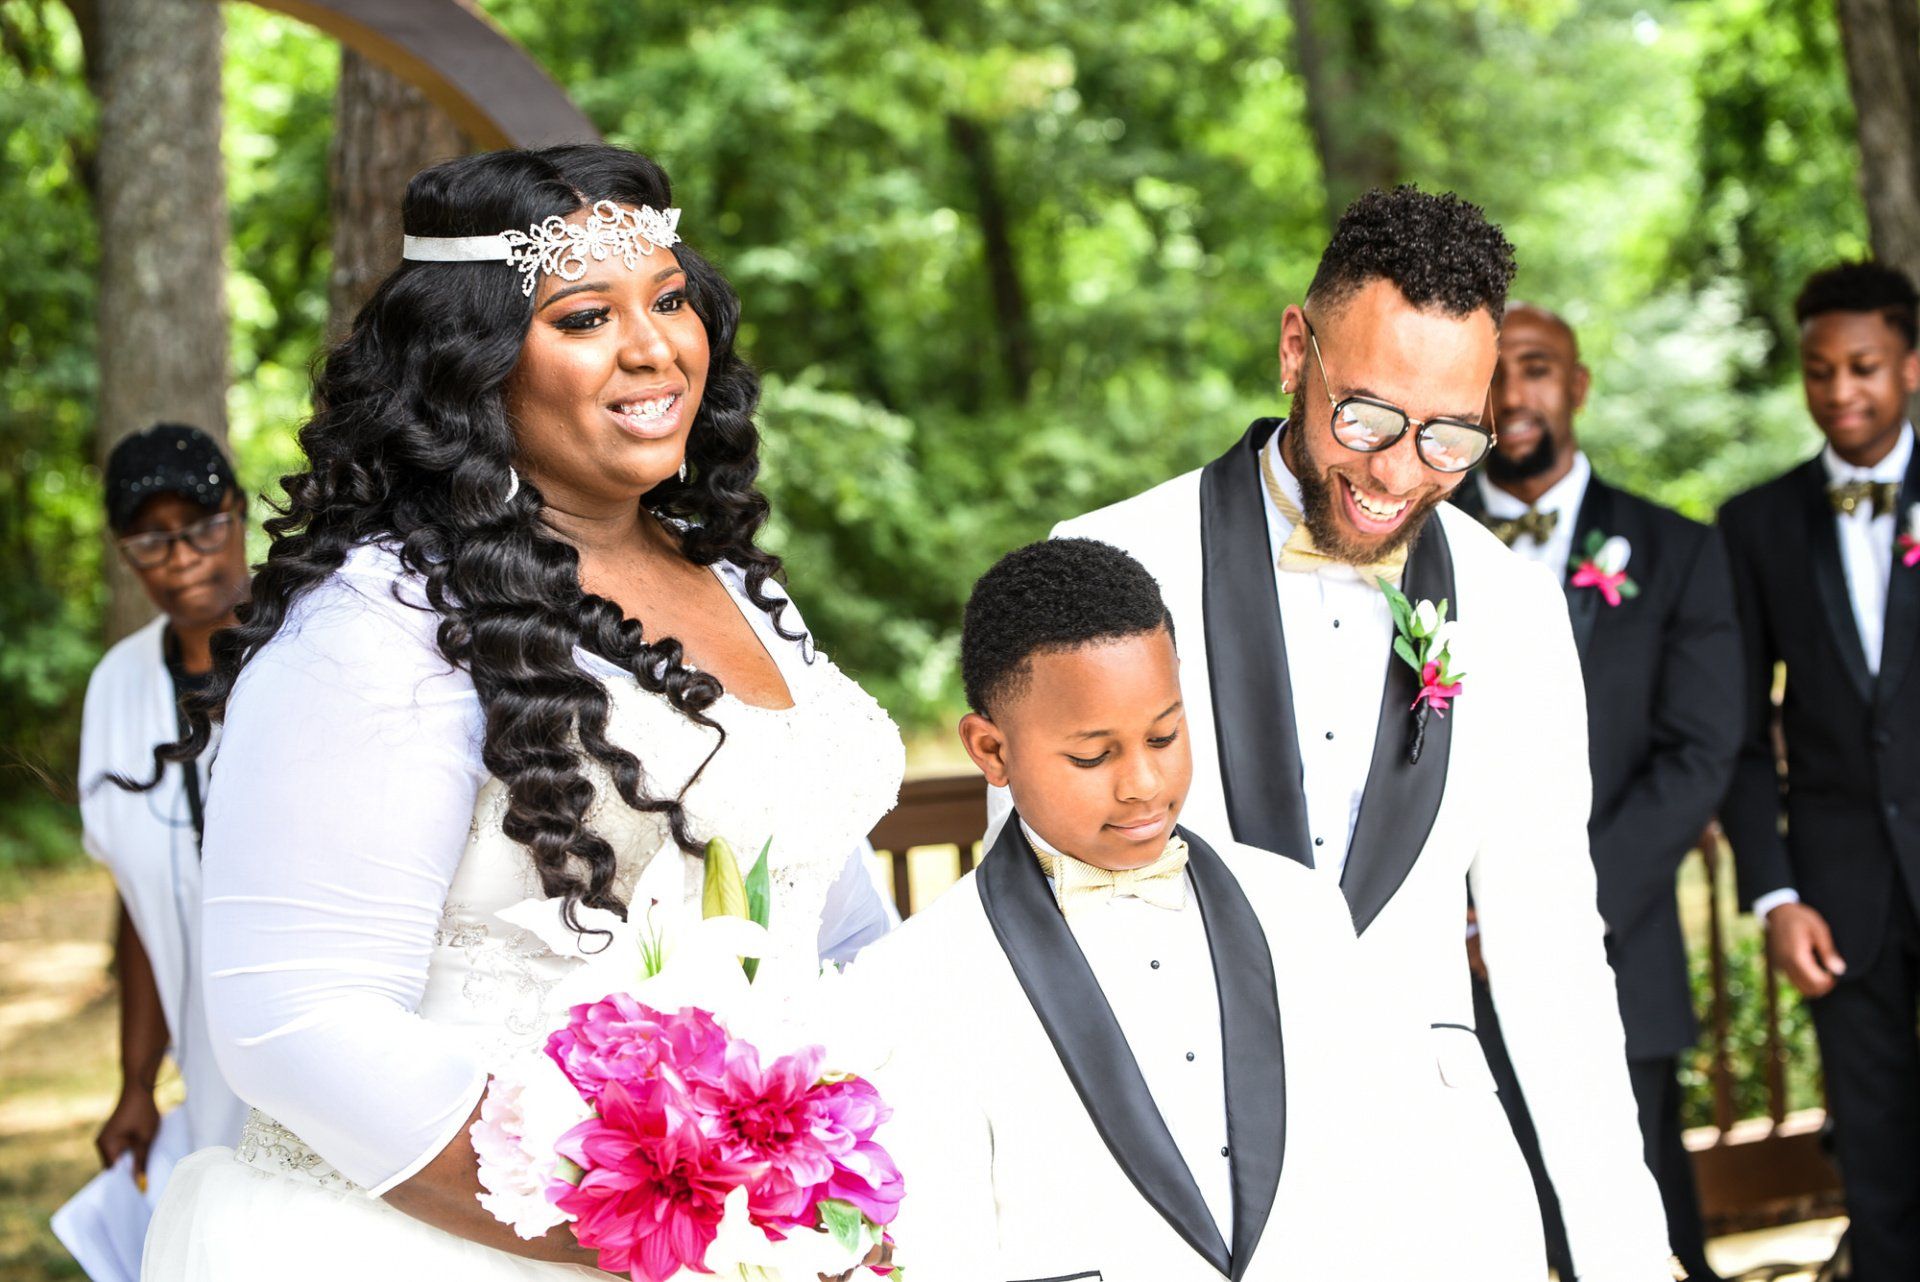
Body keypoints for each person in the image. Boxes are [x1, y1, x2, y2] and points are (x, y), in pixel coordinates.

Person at [136, 145, 904, 1277]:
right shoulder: (379, 630)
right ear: (472, 365)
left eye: (673, 299)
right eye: (586, 316)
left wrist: (836, 1179)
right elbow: (297, 1024)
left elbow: (829, 931)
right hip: (464, 1242)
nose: (655, 349)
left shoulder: (740, 586)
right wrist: (661, 1232)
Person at [990, 187, 1674, 1280]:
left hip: (1445, 1202)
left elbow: (1554, 956)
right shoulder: (1107, 563)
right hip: (1174, 1205)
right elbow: (1026, 937)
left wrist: (1627, 1254)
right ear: (1295, 347)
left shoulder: (1515, 608)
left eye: (1451, 437)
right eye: (1366, 417)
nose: (1398, 474)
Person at [860, 538, 1433, 1282]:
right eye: (1093, 756)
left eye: (1165, 735)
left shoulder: (1302, 911)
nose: (1144, 783)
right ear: (991, 750)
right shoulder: (918, 982)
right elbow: (946, 1255)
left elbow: (1382, 1177)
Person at [1451, 305, 1741, 1281]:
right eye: (1490, 374)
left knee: (1641, 1222)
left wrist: (1541, 915)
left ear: (1575, 386)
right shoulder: (1417, 549)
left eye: (1534, 369)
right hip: (1456, 961)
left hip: (1617, 944)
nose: (1511, 396)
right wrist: (1461, 914)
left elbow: (1699, 753)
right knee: (1492, 1227)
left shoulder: (1680, 552)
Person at [1719, 261, 1920, 1282]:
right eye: (1820, 368)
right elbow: (1743, 730)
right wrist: (1778, 891)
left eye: (1865, 366)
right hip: (1841, 898)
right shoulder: (1757, 525)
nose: (1841, 389)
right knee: (1876, 1155)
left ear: (1911, 365)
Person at [62, 424, 252, 1249]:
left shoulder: (314, 644)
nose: (179, 559)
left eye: (202, 527)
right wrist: (137, 1082)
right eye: (150, 540)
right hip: (210, 1075)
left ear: (240, 515)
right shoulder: (119, 687)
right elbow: (142, 902)